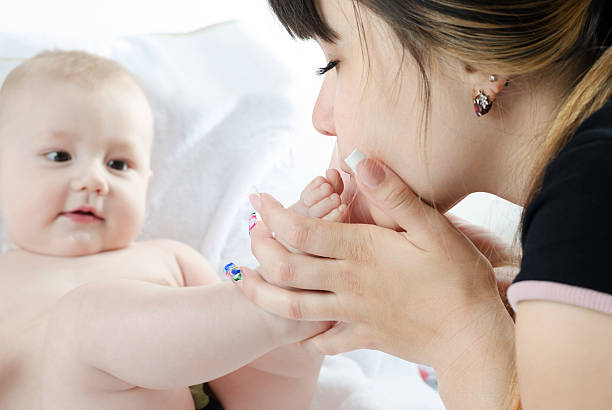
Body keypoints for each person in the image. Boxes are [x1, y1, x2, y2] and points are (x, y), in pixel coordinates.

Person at [239, 1, 612, 409]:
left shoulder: (590, 202)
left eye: (335, 65)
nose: (321, 118)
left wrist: (461, 336)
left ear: (476, 50)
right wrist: (534, 292)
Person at [0, 50, 331, 410]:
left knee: (284, 356)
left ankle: (292, 297)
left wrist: (282, 347)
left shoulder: (170, 260)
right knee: (82, 317)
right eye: (59, 156)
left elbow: (242, 380)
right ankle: (274, 309)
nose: (95, 181)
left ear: (145, 183)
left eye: (118, 164)